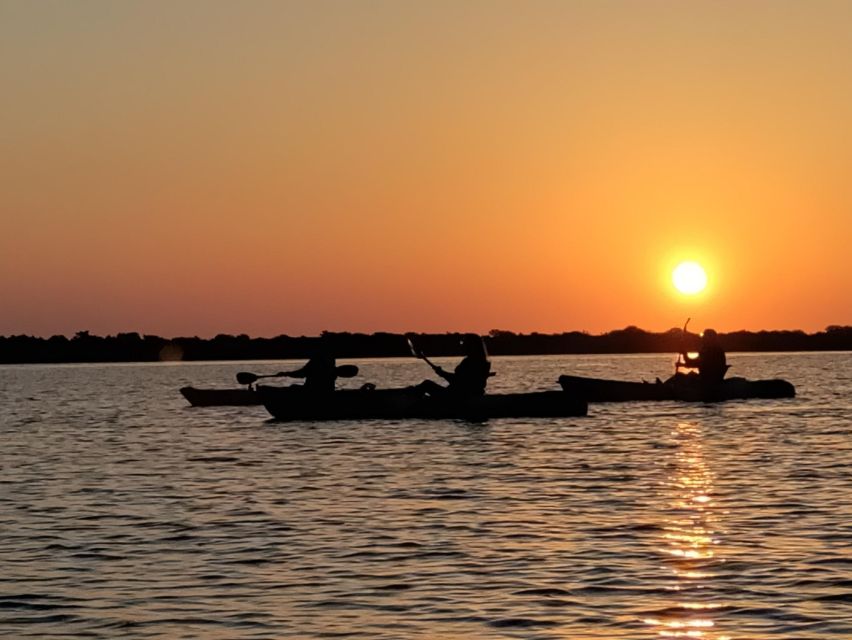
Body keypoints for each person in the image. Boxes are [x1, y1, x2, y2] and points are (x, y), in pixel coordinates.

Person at [412, 334, 492, 398]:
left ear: (471, 345)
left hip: (457, 396)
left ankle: (408, 400)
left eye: (464, 343)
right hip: (470, 395)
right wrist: (442, 373)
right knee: (423, 386)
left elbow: (459, 381)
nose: (462, 345)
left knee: (427, 384)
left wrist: (442, 373)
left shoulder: (470, 362)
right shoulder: (483, 362)